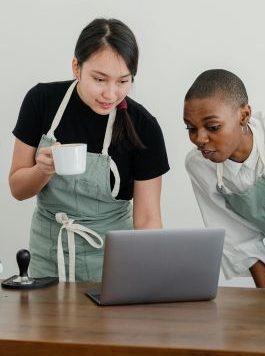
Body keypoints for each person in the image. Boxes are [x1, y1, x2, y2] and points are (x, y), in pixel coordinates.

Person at [9, 18, 170, 282]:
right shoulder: (41, 102)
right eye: (99, 79)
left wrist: (151, 280)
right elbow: (17, 189)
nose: (110, 93)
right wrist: (42, 170)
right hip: (48, 258)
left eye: (123, 81)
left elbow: (148, 219)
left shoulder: (144, 127)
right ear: (76, 67)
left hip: (113, 263)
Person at [184, 69, 265, 312]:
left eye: (212, 127)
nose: (200, 139)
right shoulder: (199, 166)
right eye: (191, 128)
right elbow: (240, 242)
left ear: (244, 114)